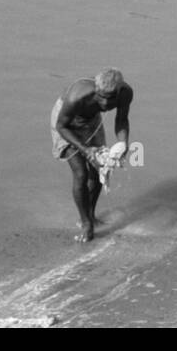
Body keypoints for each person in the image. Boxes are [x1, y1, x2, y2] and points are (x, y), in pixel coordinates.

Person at [50, 69, 133, 242]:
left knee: (98, 169)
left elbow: (121, 120)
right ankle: (87, 224)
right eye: (100, 96)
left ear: (118, 91)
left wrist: (123, 142)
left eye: (109, 98)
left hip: (91, 120)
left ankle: (90, 216)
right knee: (81, 173)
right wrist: (86, 150)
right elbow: (61, 126)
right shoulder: (78, 95)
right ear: (96, 88)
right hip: (67, 123)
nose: (104, 102)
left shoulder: (126, 93)